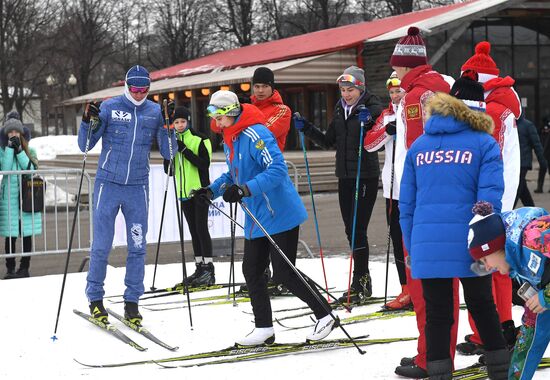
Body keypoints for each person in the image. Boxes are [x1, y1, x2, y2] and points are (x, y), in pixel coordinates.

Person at [194, 90, 336, 346]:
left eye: (217, 115)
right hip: (257, 215)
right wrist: (210, 191)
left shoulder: (255, 133)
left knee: (284, 273)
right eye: (211, 115)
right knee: (252, 270)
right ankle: (264, 328)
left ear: (229, 113)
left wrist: (246, 189)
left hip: (278, 212)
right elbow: (233, 174)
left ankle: (325, 315)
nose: (214, 121)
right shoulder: (231, 137)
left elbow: (278, 169)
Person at [399, 70, 509, 379]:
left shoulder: (418, 147)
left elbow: (406, 206)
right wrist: (487, 242)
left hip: (426, 243)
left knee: (437, 315)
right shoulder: (483, 144)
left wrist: (411, 247)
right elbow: (488, 201)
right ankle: (500, 370)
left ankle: (438, 373)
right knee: (484, 307)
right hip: (470, 244)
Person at [78, 65, 176, 323]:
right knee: (101, 245)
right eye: (135, 89)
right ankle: (95, 299)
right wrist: (88, 121)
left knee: (137, 246)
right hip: (107, 184)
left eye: (145, 90)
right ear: (126, 86)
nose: (140, 94)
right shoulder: (111, 106)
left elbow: (169, 153)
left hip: (137, 187)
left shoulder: (154, 111)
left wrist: (168, 126)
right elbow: (85, 145)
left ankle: (132, 302)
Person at [389, 26, 453, 379]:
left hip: (420, 199)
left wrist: (409, 200)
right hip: (445, 195)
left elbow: (416, 151)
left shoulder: (416, 97)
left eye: (396, 67)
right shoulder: (440, 87)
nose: (394, 74)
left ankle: (430, 357)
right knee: (443, 285)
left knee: (423, 283)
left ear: (406, 65)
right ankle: (433, 353)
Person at [293, 65, 383, 303]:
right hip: (344, 176)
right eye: (343, 90)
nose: (346, 94)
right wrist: (308, 128)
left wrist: (371, 122)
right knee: (349, 230)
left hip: (364, 176)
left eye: (350, 89)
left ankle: (360, 282)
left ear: (360, 88)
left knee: (358, 230)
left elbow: (380, 140)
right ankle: (362, 280)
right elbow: (328, 141)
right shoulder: (340, 109)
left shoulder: (372, 106)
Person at [457, 40, 522, 357]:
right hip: (496, 201)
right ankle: (494, 329)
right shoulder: (495, 105)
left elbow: (486, 160)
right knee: (492, 266)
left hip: (491, 202)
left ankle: (498, 331)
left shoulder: (492, 111)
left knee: (489, 267)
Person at [468, 205, 550, 380]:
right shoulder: (518, 261)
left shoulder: (537, 234)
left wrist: (546, 297)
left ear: (495, 246)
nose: (488, 267)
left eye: (484, 259)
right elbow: (532, 335)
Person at [363, 72, 411, 310]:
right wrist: (386, 131)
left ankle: (420, 287)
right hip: (393, 190)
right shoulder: (387, 114)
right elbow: (369, 144)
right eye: (392, 92)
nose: (395, 96)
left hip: (413, 187)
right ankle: (406, 288)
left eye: (399, 91)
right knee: (397, 238)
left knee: (412, 241)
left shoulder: (416, 113)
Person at [163, 106, 214, 286]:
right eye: (176, 122)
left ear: (188, 121)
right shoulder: (172, 140)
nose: (179, 125)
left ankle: (209, 269)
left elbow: (204, 163)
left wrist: (184, 150)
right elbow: (168, 171)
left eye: (182, 121)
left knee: (201, 229)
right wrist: (168, 154)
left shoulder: (200, 139)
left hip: (199, 191)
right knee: (193, 231)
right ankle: (199, 267)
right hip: (183, 193)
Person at [210, 67, 292, 152]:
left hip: (266, 159)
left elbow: (263, 133)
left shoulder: (282, 110)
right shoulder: (245, 106)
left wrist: (235, 121)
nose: (260, 90)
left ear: (272, 88)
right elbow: (215, 126)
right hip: (240, 158)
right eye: (257, 86)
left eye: (265, 86)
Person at [1, 118, 42, 279]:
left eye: (15, 131)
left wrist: (19, 151)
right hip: (9, 199)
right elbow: (5, 169)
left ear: (21, 133)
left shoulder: (30, 151)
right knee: (10, 235)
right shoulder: (2, 151)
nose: (13, 134)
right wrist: (10, 150)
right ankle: (10, 268)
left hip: (27, 197)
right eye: (10, 132)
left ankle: (24, 267)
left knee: (26, 233)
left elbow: (30, 170)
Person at [514, 115, 547, 207]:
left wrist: (543, 162)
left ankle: (508, 211)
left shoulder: (528, 125)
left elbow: (537, 145)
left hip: (523, 163)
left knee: (517, 188)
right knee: (522, 188)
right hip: (513, 163)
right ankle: (532, 210)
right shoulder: (509, 125)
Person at [534, 116, 550, 193]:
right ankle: (539, 187)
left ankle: (540, 187)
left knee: (542, 170)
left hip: (545, 150)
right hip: (545, 150)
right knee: (543, 170)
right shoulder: (541, 127)